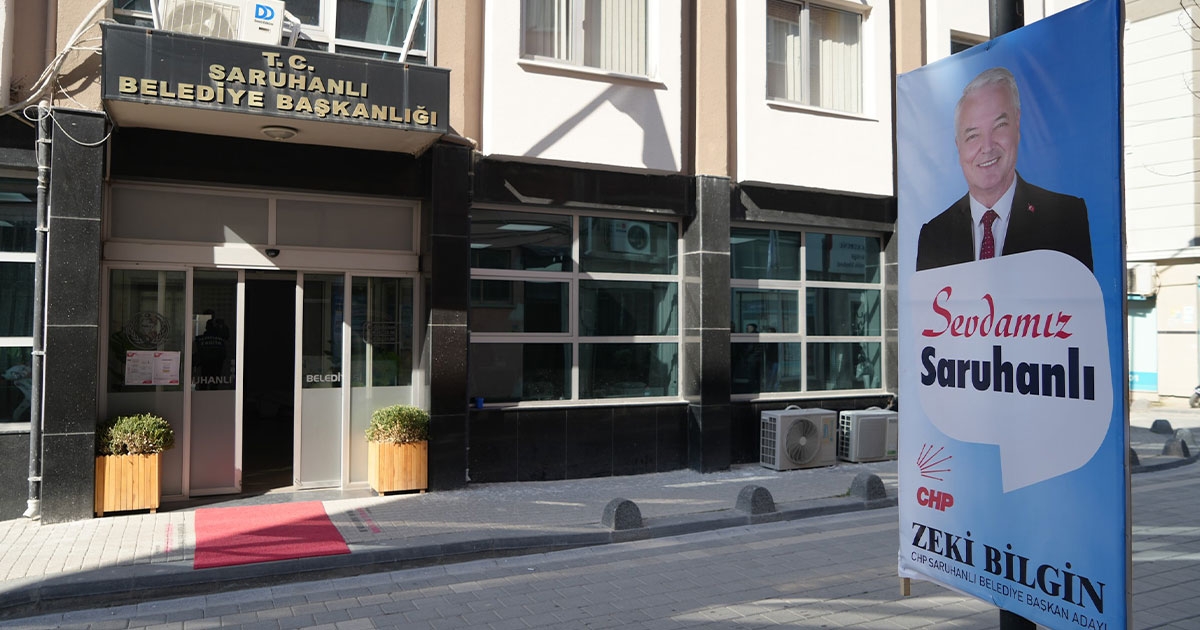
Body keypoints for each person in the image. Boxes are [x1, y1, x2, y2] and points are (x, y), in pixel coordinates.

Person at [915, 67, 1093, 272]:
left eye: (999, 126)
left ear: (1017, 124)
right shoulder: (934, 235)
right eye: (973, 135)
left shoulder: (1066, 218)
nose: (987, 147)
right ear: (958, 146)